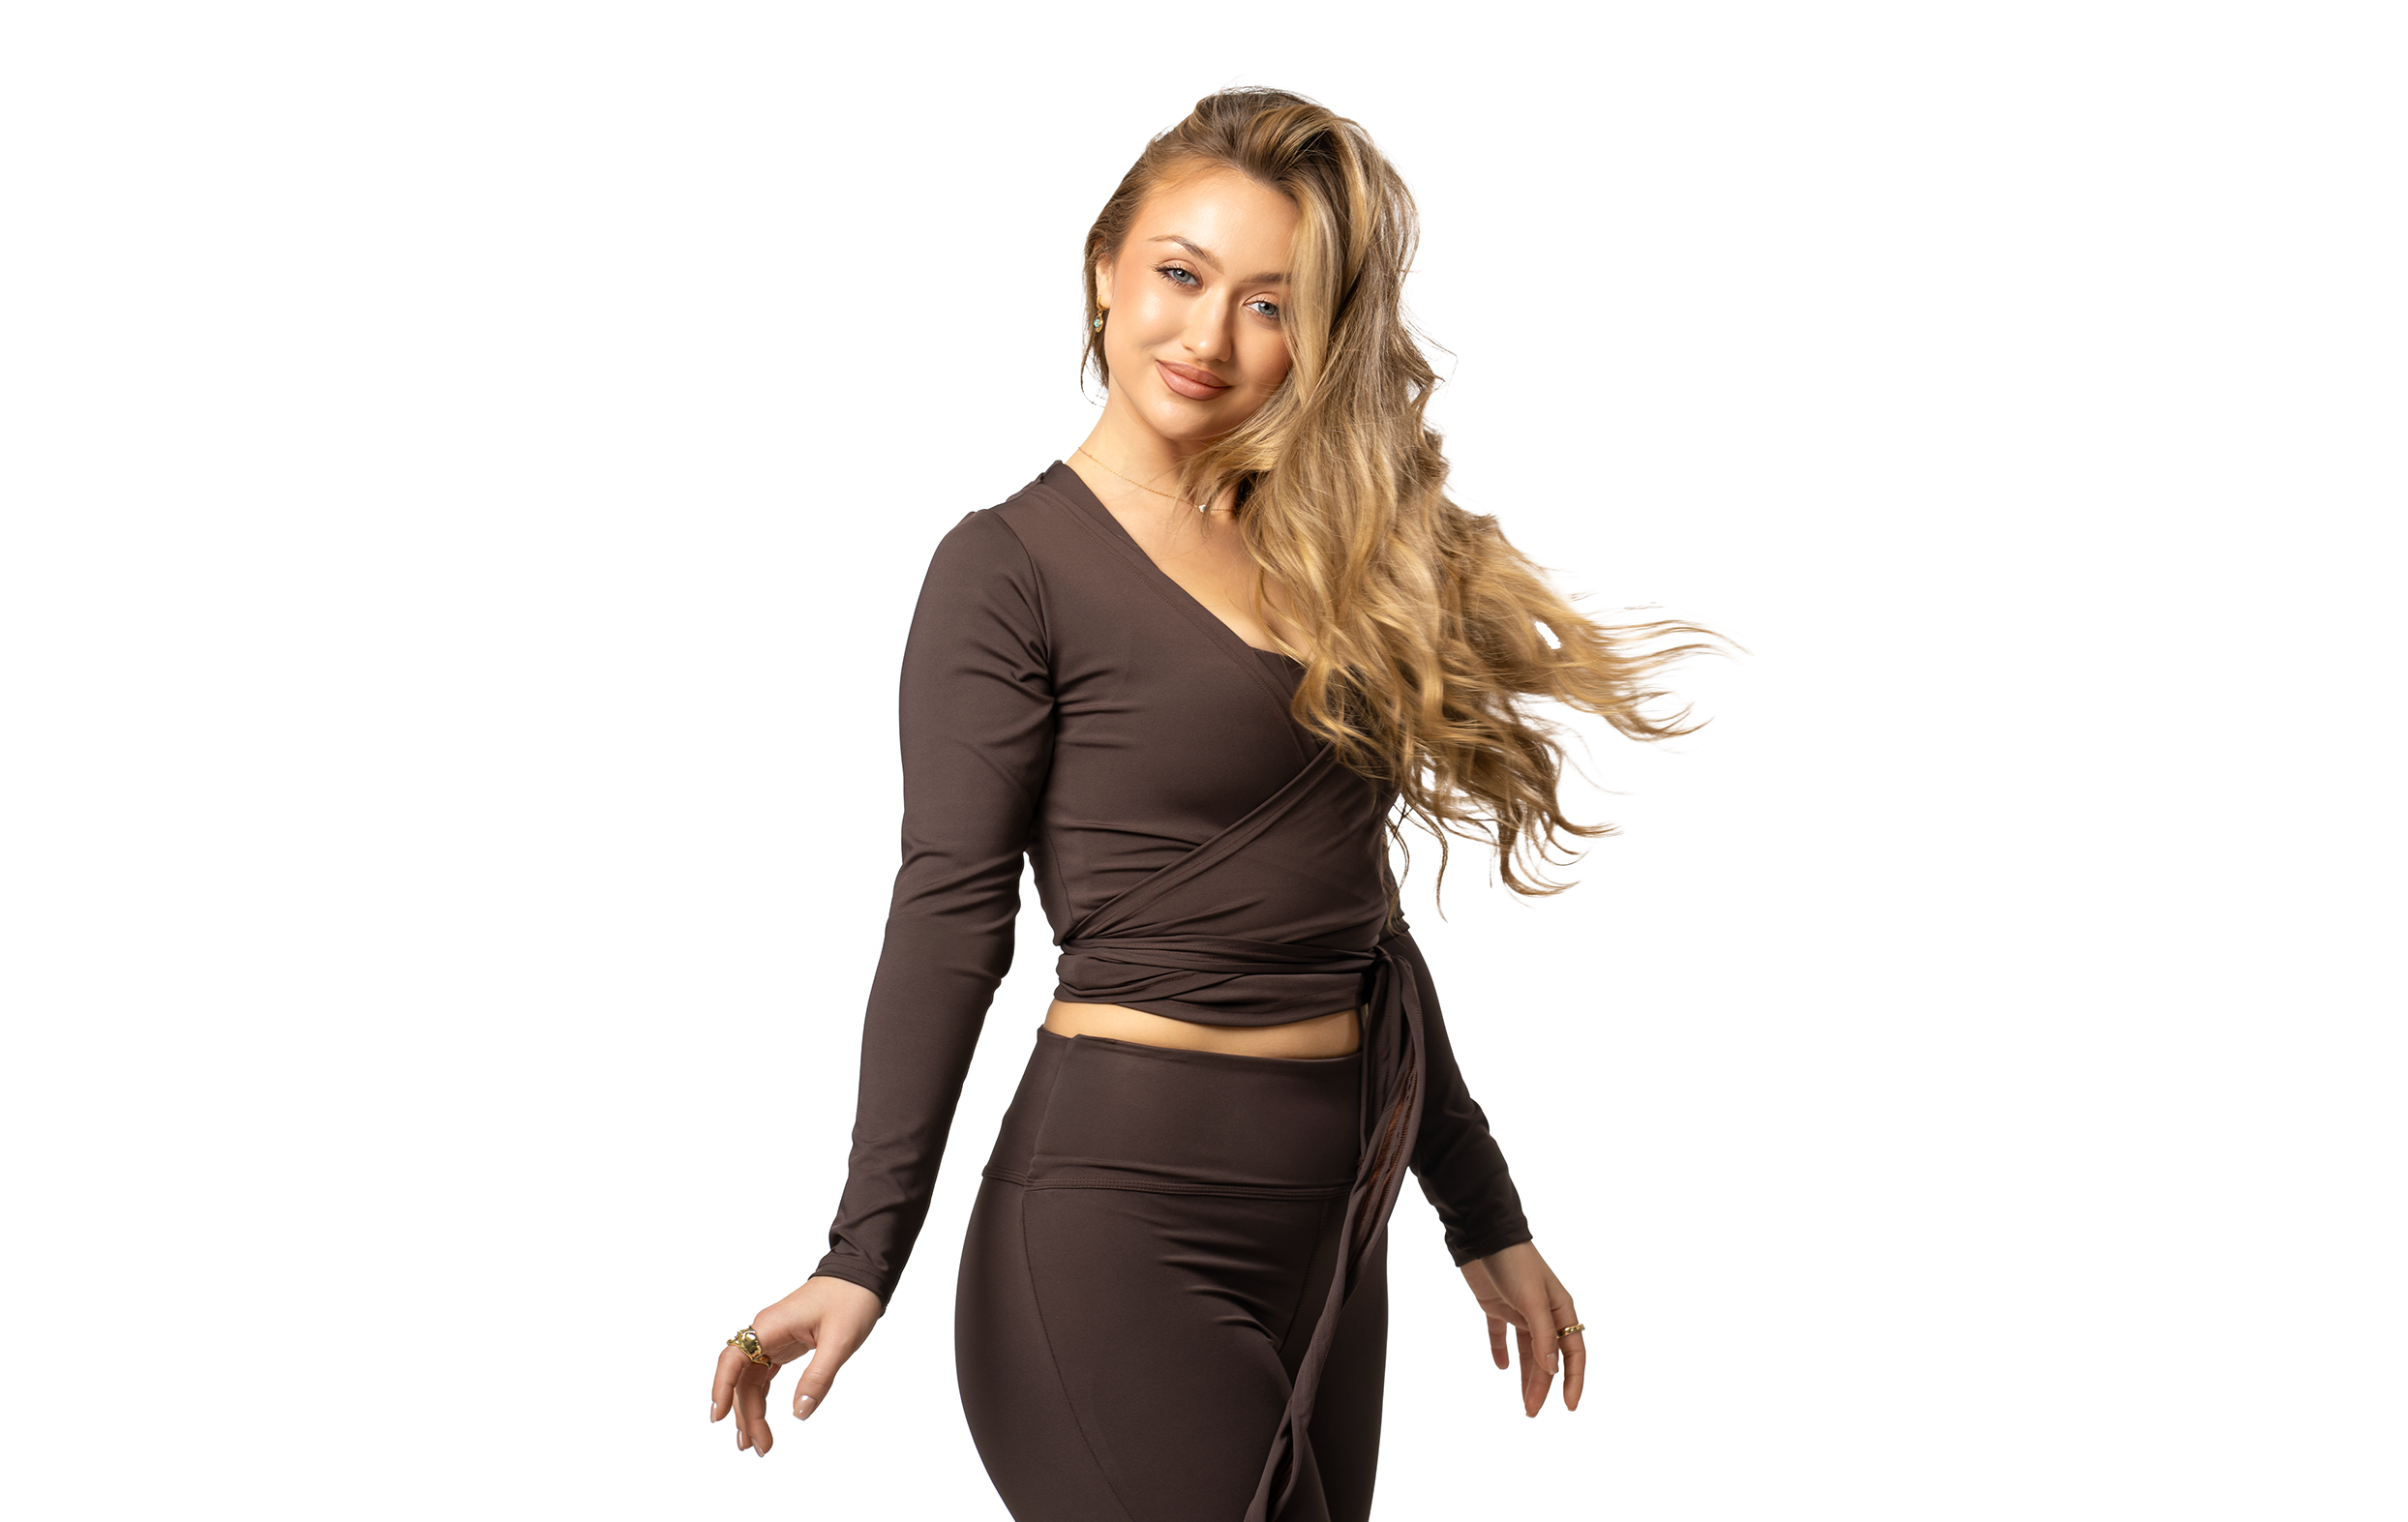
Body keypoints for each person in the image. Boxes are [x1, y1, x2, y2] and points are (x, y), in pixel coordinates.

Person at [708, 86, 1706, 1521]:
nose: (1208, 337)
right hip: (1114, 1226)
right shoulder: (1008, 568)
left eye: (1269, 304)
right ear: (1105, 268)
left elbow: (1354, 927)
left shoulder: (1338, 557)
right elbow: (949, 916)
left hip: (1333, 1226)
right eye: (1179, 274)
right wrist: (862, 1253)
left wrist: (1481, 1212)